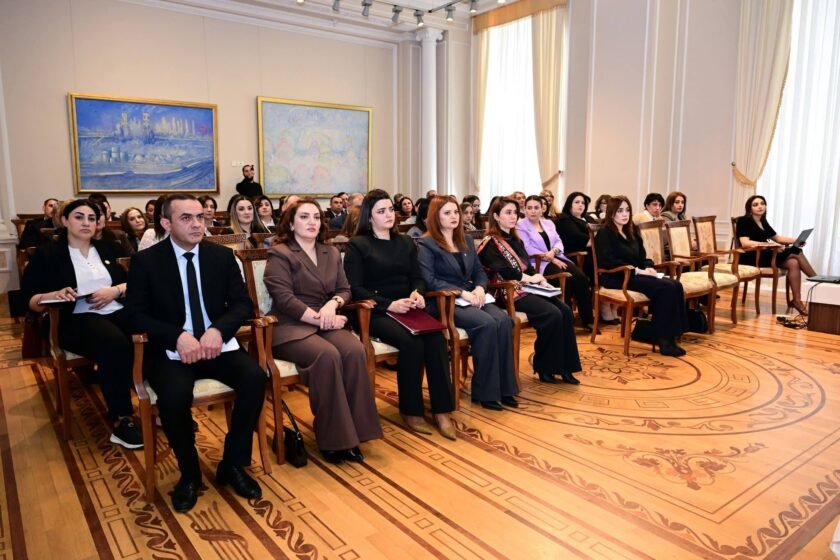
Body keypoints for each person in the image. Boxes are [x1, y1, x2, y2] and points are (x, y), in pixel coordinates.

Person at [126, 194, 266, 513]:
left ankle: (232, 463)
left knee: (255, 378)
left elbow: (242, 304)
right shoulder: (147, 261)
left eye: (200, 217)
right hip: (172, 350)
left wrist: (218, 330)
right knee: (174, 395)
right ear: (166, 223)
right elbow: (134, 315)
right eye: (186, 218)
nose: (196, 224)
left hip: (216, 345)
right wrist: (177, 337)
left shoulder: (221, 256)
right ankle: (189, 474)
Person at [264, 198, 382, 463]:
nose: (312, 222)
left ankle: (357, 432)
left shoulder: (330, 252)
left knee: (354, 350)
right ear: (291, 224)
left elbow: (345, 289)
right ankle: (334, 440)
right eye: (304, 217)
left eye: (316, 217)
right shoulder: (280, 253)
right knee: (327, 356)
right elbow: (284, 298)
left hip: (326, 319)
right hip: (290, 326)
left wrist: (333, 304)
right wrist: (320, 320)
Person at [22, 199, 140, 449]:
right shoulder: (48, 254)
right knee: (114, 342)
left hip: (114, 308)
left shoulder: (108, 248)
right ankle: (122, 419)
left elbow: (135, 283)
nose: (86, 222)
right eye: (79, 217)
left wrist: (115, 290)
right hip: (72, 317)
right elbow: (30, 301)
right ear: (65, 220)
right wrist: (54, 295)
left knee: (151, 330)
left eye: (91, 218)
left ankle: (160, 404)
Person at [344, 190, 455, 438]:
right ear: (369, 217)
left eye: (390, 210)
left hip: (408, 307)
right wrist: (389, 305)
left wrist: (417, 293)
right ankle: (411, 411)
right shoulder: (358, 245)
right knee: (411, 342)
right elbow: (356, 288)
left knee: (436, 338)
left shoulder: (405, 242)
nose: (389, 215)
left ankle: (442, 410)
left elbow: (418, 277)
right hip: (375, 311)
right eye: (381, 211)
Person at [418, 196, 518, 411]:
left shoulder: (465, 240)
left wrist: (480, 287)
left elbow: (479, 271)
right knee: (486, 324)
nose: (454, 216)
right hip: (445, 300)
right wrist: (462, 292)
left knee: (504, 321)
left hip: (472, 295)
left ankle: (504, 388)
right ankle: (485, 392)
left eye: (456, 212)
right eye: (447, 213)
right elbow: (429, 280)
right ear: (435, 216)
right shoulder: (426, 244)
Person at [479, 198, 582, 384]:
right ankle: (545, 367)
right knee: (552, 314)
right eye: (508, 213)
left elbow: (528, 267)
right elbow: (505, 272)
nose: (513, 217)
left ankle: (566, 367)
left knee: (565, 311)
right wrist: (530, 279)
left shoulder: (515, 239)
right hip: (506, 291)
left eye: (515, 212)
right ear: (496, 216)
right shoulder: (490, 243)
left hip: (527, 287)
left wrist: (541, 279)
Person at [595, 196, 689, 356]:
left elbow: (642, 257)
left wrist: (648, 267)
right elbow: (608, 262)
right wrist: (638, 271)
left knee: (675, 285)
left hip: (635, 275)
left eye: (627, 210)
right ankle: (664, 339)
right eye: (620, 211)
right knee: (664, 288)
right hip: (616, 277)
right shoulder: (605, 234)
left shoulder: (631, 231)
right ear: (611, 213)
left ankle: (669, 334)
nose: (625, 214)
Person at [518, 195, 595, 330]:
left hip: (557, 257)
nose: (533, 211)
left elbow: (559, 241)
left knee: (581, 277)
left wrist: (554, 252)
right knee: (565, 279)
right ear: (525, 209)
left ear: (542, 209)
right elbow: (527, 248)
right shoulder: (520, 225)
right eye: (529, 208)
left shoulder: (548, 223)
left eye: (536, 207)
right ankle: (567, 320)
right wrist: (550, 258)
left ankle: (587, 319)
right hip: (538, 263)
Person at [736, 195, 817, 316]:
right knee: (797, 252)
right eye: (755, 205)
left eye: (762, 203)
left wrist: (796, 240)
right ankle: (817, 281)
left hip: (765, 254)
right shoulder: (744, 220)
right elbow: (745, 243)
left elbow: (777, 238)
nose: (760, 206)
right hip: (751, 256)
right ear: (749, 208)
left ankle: (797, 300)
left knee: (793, 263)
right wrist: (770, 245)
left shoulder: (762, 220)